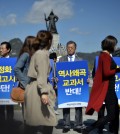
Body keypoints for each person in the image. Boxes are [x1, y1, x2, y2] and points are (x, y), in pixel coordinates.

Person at [82, 35, 120, 134]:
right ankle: (89, 128)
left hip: (109, 87)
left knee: (115, 111)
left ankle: (113, 130)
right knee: (112, 114)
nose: (116, 47)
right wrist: (117, 69)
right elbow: (107, 72)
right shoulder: (106, 56)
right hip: (108, 88)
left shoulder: (103, 55)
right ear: (110, 45)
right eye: (115, 45)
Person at [24, 30, 57, 134]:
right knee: (48, 120)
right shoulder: (42, 55)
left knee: (34, 122)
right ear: (49, 41)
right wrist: (44, 92)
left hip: (34, 87)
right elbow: (42, 75)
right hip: (38, 89)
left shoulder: (38, 53)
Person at [59, 41, 84, 133]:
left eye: (71, 47)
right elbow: (58, 72)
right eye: (68, 47)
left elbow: (84, 73)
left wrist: (87, 79)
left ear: (75, 48)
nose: (70, 49)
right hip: (66, 86)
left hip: (77, 86)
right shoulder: (61, 59)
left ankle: (78, 125)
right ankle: (66, 124)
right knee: (66, 105)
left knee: (78, 106)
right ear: (66, 48)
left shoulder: (80, 60)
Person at [14, 36, 38, 119]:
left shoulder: (32, 54)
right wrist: (25, 82)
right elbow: (16, 68)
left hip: (32, 86)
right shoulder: (26, 54)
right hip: (27, 87)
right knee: (28, 111)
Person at [0, 41, 14, 123]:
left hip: (10, 89)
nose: (0, 50)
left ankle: (10, 125)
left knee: (10, 108)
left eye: (2, 48)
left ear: (8, 50)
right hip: (1, 89)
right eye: (0, 48)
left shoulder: (14, 62)